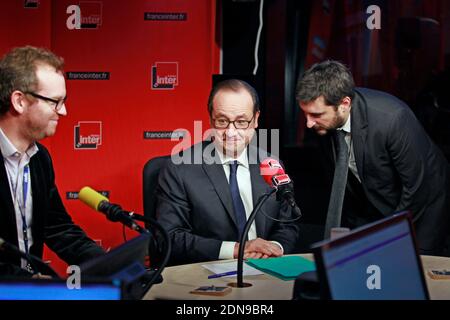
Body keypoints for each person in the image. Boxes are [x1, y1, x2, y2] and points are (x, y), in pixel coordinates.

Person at [296, 60, 450, 255]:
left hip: (426, 203)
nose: (308, 124)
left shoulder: (392, 119)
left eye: (316, 114)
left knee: (412, 265)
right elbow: (345, 184)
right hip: (378, 198)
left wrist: (385, 238)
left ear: (344, 104)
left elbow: (417, 189)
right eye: (305, 114)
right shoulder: (322, 125)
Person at [156, 79, 300, 265]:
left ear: (255, 119)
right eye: (222, 121)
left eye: (241, 122)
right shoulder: (179, 169)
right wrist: (237, 250)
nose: (231, 132)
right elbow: (169, 237)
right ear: (210, 119)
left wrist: (273, 247)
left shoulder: (271, 165)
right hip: (206, 275)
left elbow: (287, 224)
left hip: (267, 267)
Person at [0, 46, 104, 277]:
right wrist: (28, 283)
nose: (64, 111)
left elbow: (58, 228)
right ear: (19, 101)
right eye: (54, 101)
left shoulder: (40, 158)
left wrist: (110, 264)